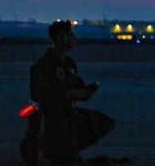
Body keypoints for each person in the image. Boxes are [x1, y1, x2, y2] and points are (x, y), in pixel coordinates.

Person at [25, 20, 116, 163]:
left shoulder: (69, 63)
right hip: (53, 117)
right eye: (70, 35)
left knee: (105, 122)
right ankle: (53, 147)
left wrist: (86, 92)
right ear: (60, 37)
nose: (74, 39)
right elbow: (43, 97)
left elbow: (78, 86)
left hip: (69, 114)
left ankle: (65, 148)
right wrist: (70, 94)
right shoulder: (42, 66)